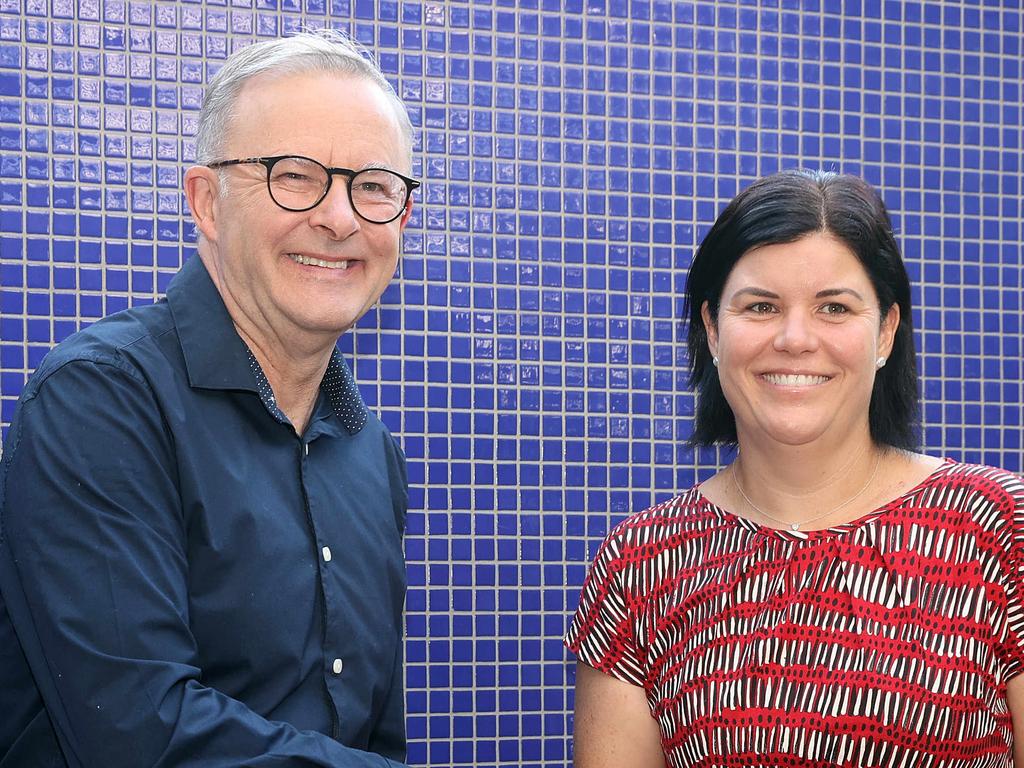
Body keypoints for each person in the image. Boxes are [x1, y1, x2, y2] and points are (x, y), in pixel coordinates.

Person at [0, 30, 419, 767]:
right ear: (207, 201)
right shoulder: (103, 400)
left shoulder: (369, 453)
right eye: (295, 175)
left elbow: (372, 734)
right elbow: (135, 733)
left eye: (374, 185)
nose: (340, 217)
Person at [565, 169, 1024, 767]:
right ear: (711, 329)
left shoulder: (1000, 527)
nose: (795, 338)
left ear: (886, 331)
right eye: (761, 306)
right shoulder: (641, 564)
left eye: (834, 306)